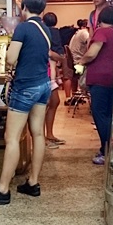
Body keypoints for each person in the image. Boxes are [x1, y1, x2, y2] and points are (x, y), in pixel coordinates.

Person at [0, 0, 52, 206]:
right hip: (43, 85)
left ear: (24, 7)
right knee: (37, 134)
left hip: (25, 86)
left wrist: (10, 55)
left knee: (11, 137)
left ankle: (2, 189)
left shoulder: (23, 27)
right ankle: (33, 182)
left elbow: (10, 58)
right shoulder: (45, 29)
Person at [78, 5, 113, 166]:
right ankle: (111, 148)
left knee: (100, 114)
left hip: (100, 79)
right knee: (111, 115)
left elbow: (92, 53)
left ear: (101, 18)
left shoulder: (102, 32)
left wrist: (81, 62)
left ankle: (106, 151)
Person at [42, 11, 66, 148]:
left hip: (50, 71)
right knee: (44, 105)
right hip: (45, 71)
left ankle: (49, 135)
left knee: (54, 101)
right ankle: (43, 138)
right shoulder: (54, 32)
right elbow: (57, 54)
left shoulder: (43, 30)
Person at [65, 19, 90, 106]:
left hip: (74, 63)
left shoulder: (77, 32)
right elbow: (90, 43)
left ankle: (75, 95)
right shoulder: (84, 32)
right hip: (79, 64)